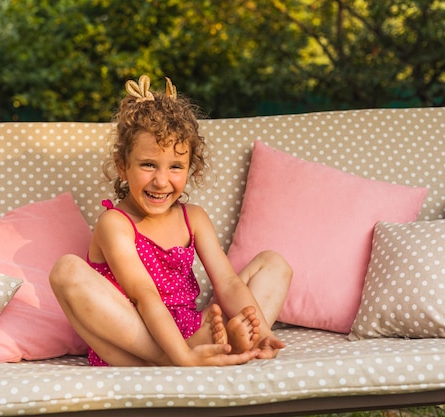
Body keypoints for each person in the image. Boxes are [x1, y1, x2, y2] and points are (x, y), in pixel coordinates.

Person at [50, 75, 292, 366]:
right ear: (122, 167)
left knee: (273, 264)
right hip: (133, 342)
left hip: (191, 332)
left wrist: (261, 329)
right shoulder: (115, 224)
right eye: (148, 165)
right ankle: (172, 361)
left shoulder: (194, 219)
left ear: (190, 168)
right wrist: (182, 356)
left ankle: (237, 343)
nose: (161, 181)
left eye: (175, 166)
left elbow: (227, 283)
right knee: (66, 270)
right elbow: (145, 296)